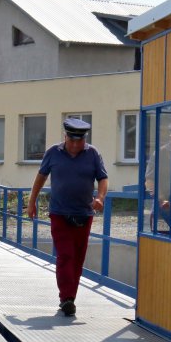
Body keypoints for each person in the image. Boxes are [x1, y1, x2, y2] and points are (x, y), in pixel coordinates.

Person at [27, 117, 108, 318]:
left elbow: (103, 178)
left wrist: (100, 197)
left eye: (79, 141)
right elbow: (41, 177)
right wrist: (32, 201)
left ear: (84, 139)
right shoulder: (53, 153)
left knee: (78, 258)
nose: (75, 145)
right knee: (65, 255)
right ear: (65, 137)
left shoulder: (93, 154)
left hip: (84, 214)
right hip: (59, 213)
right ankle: (66, 298)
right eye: (72, 140)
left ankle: (70, 297)